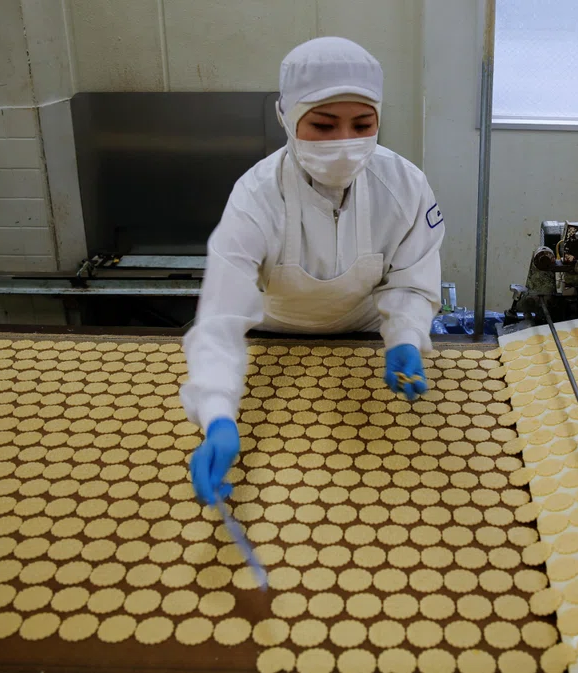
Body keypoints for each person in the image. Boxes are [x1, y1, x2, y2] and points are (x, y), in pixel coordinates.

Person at [181, 37, 445, 505]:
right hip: (276, 338)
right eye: (323, 125)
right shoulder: (256, 197)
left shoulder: (405, 185)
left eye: (362, 124)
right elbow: (221, 318)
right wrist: (218, 412)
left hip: (366, 342)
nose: (344, 143)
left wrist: (404, 336)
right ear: (287, 118)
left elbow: (411, 277)